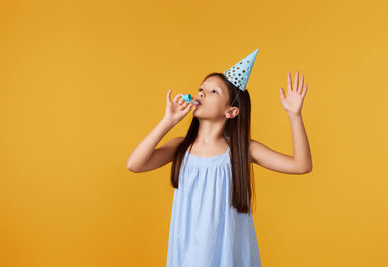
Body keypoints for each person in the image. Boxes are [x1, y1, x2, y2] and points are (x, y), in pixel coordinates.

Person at [126, 49, 312, 267]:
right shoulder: (180, 146)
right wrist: (167, 122)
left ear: (231, 111)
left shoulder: (242, 150)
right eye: (201, 89)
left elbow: (301, 165)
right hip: (188, 255)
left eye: (214, 91)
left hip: (229, 256)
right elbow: (134, 164)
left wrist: (294, 115)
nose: (202, 94)